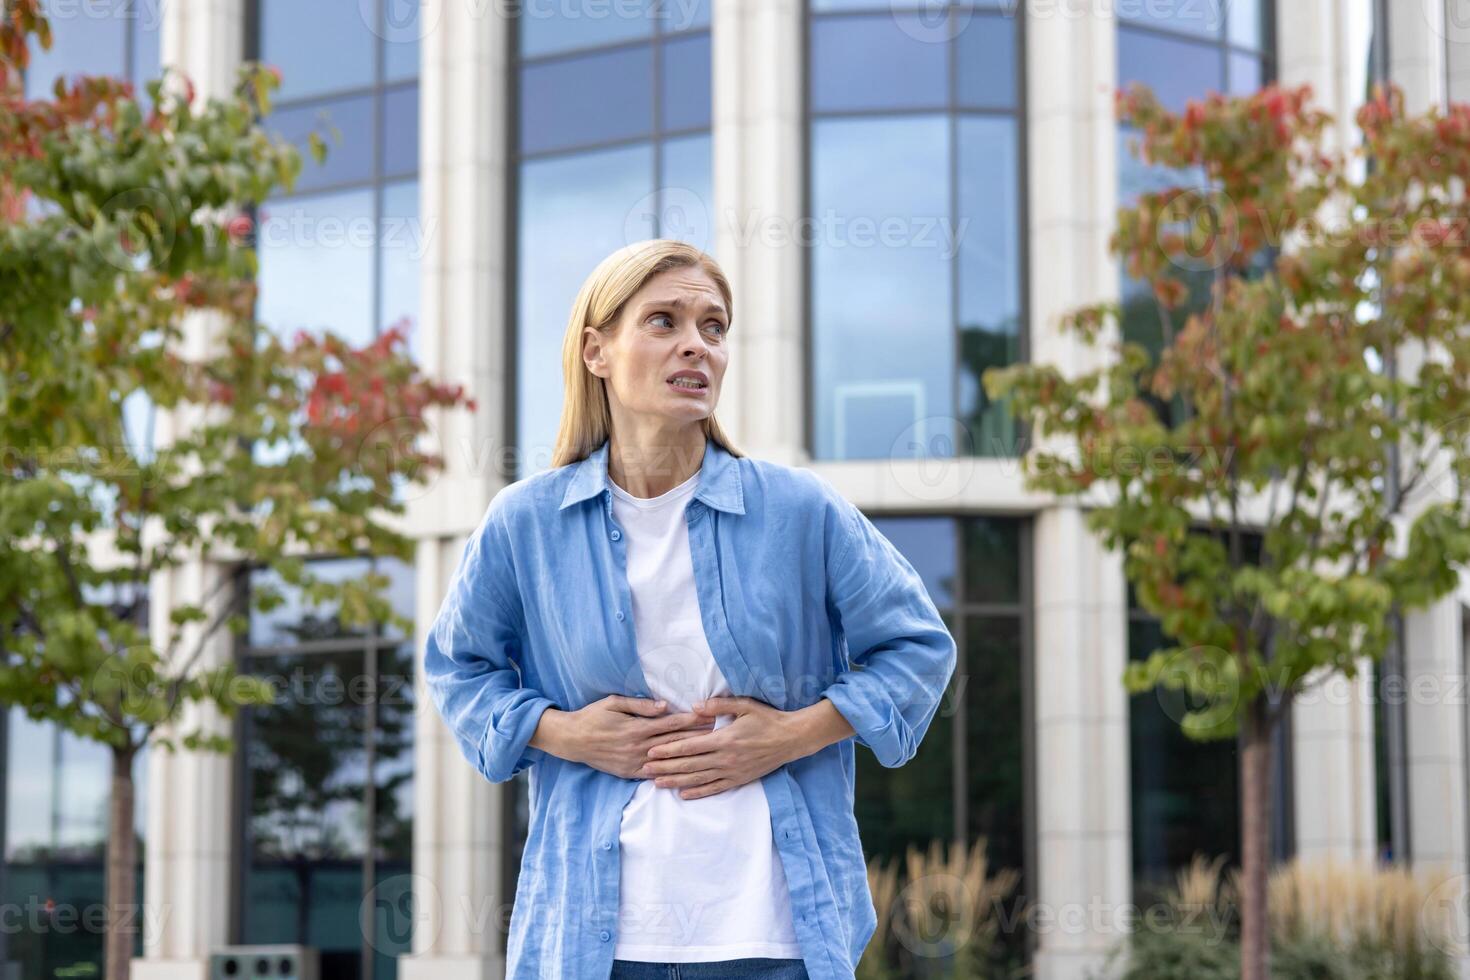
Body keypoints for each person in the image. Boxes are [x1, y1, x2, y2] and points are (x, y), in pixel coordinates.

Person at [423, 238, 957, 979]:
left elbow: (918, 647)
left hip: (773, 934)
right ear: (596, 351)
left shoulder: (797, 509)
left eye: (713, 327)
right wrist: (565, 733)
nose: (695, 346)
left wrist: (790, 735)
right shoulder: (527, 522)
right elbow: (458, 668)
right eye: (664, 321)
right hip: (593, 941)